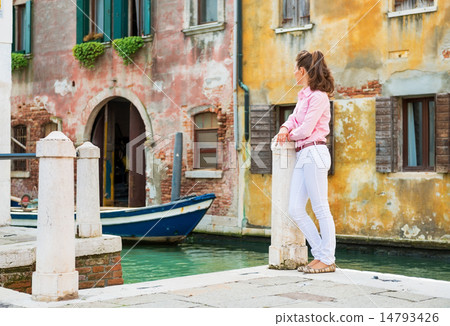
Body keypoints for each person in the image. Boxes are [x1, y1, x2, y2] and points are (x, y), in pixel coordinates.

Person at [276, 50, 336, 273]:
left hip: (315, 153)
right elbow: (293, 119)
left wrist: (287, 135)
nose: (293, 73)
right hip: (303, 155)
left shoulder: (319, 97)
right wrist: (284, 127)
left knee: (321, 207)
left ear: (302, 71)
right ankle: (321, 254)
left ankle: (327, 258)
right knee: (295, 208)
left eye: (295, 69)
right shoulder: (304, 95)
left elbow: (306, 129)